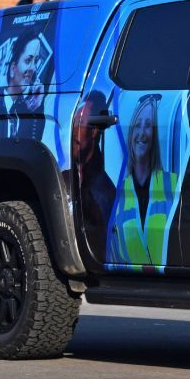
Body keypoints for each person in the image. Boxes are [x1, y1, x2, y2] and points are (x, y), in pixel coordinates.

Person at [106, 94, 178, 267]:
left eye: (148, 126)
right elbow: (114, 252)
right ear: (131, 134)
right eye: (137, 125)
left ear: (155, 134)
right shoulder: (118, 193)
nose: (142, 133)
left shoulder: (173, 184)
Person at [73, 91, 117, 261]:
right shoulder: (65, 177)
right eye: (75, 121)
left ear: (94, 132)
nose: (74, 129)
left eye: (81, 122)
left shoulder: (105, 193)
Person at [0, 26, 48, 139]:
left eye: (36, 61)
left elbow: (34, 146)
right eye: (28, 60)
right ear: (13, 68)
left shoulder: (25, 110)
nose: (33, 68)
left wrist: (37, 107)